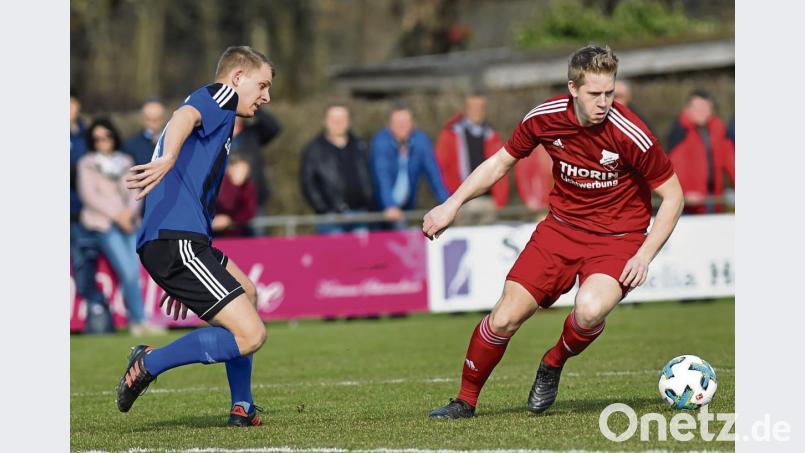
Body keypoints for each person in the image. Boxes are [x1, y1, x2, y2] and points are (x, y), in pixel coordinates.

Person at [422, 45, 684, 419]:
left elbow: (673, 196)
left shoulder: (632, 134)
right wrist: (452, 205)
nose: (604, 102)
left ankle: (553, 361)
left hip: (617, 239)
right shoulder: (544, 118)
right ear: (573, 89)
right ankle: (465, 401)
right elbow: (499, 163)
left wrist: (643, 255)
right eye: (595, 93)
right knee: (504, 318)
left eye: (609, 92)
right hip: (560, 231)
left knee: (590, 310)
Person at [119, 46, 274, 427]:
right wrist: (167, 156)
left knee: (248, 294)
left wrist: (184, 277)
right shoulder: (221, 95)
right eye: (263, 85)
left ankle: (242, 406)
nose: (266, 97)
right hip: (176, 241)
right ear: (238, 77)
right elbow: (183, 115)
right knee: (252, 334)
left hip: (185, 242)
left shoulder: (221, 122)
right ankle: (148, 362)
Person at [78, 118, 163, 336]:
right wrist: (117, 215)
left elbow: (136, 190)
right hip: (104, 224)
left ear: (113, 137)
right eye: (97, 138)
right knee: (128, 270)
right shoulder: (86, 163)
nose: (102, 142)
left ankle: (141, 320)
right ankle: (138, 321)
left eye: (106, 137)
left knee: (135, 271)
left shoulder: (125, 161)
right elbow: (89, 196)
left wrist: (128, 213)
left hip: (129, 222)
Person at [70, 88, 114, 334]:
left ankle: (98, 319)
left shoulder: (86, 136)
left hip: (79, 214)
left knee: (84, 265)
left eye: (71, 104)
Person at [370, 104, 449, 229]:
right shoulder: (381, 142)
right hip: (379, 208)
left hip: (407, 206)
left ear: (413, 123)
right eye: (397, 122)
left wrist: (447, 203)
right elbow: (382, 176)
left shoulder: (420, 140)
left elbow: (434, 173)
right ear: (389, 125)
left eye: (405, 121)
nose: (402, 126)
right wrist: (390, 205)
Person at [300, 104, 374, 234]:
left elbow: (370, 174)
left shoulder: (359, 145)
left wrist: (368, 201)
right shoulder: (314, 149)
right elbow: (308, 183)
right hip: (331, 218)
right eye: (334, 119)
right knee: (335, 254)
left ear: (348, 121)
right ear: (326, 121)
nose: (338, 123)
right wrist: (323, 208)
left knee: (362, 254)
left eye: (342, 119)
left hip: (360, 214)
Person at [435, 94, 508, 222]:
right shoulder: (450, 133)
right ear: (465, 109)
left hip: (487, 200)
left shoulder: (492, 135)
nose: (476, 111)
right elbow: (440, 167)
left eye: (479, 108)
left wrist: (500, 200)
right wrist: (448, 201)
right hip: (461, 200)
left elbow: (502, 165)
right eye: (472, 107)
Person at [666, 90, 735, 214]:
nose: (703, 112)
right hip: (690, 202)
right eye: (698, 108)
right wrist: (684, 192)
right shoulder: (680, 131)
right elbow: (675, 166)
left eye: (706, 108)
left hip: (714, 198)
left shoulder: (717, 129)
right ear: (687, 109)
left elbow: (731, 160)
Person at [213, 152, 258, 237]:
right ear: (230, 169)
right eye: (239, 170)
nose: (243, 174)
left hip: (239, 231)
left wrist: (230, 221)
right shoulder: (218, 183)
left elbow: (249, 211)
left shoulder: (248, 186)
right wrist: (213, 221)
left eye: (245, 171)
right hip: (214, 232)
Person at [123, 98, 167, 167]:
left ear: (164, 118)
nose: (154, 123)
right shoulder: (131, 145)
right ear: (142, 119)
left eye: (158, 119)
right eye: (149, 119)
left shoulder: (173, 140)